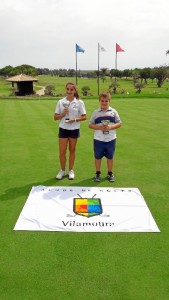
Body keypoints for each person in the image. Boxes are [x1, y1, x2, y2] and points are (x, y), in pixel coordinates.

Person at [54, 82, 86, 180]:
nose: (69, 91)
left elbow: (84, 117)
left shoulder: (79, 102)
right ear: (65, 89)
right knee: (62, 152)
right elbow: (55, 117)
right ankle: (62, 170)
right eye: (67, 89)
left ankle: (71, 170)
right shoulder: (60, 102)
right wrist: (63, 114)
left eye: (71, 90)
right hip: (63, 129)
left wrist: (74, 120)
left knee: (72, 150)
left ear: (75, 90)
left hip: (74, 129)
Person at [89, 91, 122, 182]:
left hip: (111, 139)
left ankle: (110, 173)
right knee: (98, 157)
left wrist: (110, 127)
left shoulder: (113, 112)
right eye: (102, 101)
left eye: (106, 101)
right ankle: (98, 173)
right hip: (98, 139)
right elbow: (90, 125)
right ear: (99, 101)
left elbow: (119, 123)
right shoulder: (96, 113)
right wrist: (99, 127)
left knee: (110, 157)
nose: (104, 103)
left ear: (109, 101)